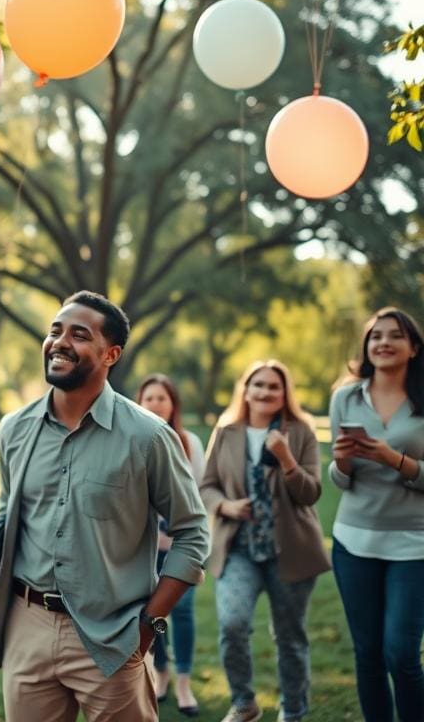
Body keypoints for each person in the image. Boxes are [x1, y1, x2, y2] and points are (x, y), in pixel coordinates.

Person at [0, 291, 209, 722]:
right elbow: (9, 510)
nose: (60, 342)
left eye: (79, 335)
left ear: (111, 354)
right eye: (55, 330)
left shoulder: (149, 437)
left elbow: (192, 533)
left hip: (114, 632)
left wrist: (148, 626)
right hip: (27, 627)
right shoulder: (14, 429)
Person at [200, 360, 329, 722]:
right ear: (246, 389)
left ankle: (292, 710)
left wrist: (287, 459)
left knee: (289, 638)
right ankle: (244, 703)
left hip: (289, 551)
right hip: (238, 549)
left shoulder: (300, 432)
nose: (266, 392)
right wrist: (224, 505)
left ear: (285, 393)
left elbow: (310, 493)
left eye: (274, 386)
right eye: (258, 385)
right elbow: (206, 485)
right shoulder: (226, 431)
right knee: (232, 625)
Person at [328, 307, 424, 722]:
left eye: (395, 335)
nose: (383, 342)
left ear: (414, 347)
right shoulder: (344, 397)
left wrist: (393, 459)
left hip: (414, 544)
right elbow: (339, 479)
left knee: (401, 654)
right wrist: (343, 462)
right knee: (367, 654)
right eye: (375, 336)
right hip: (353, 542)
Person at [136, 374, 205, 717]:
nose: (155, 404)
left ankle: (184, 680)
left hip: (182, 547)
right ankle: (160, 671)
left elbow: (200, 498)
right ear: (139, 402)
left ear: (173, 404)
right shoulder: (133, 440)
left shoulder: (189, 443)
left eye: (162, 398)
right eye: (148, 398)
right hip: (146, 551)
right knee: (154, 613)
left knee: (185, 612)